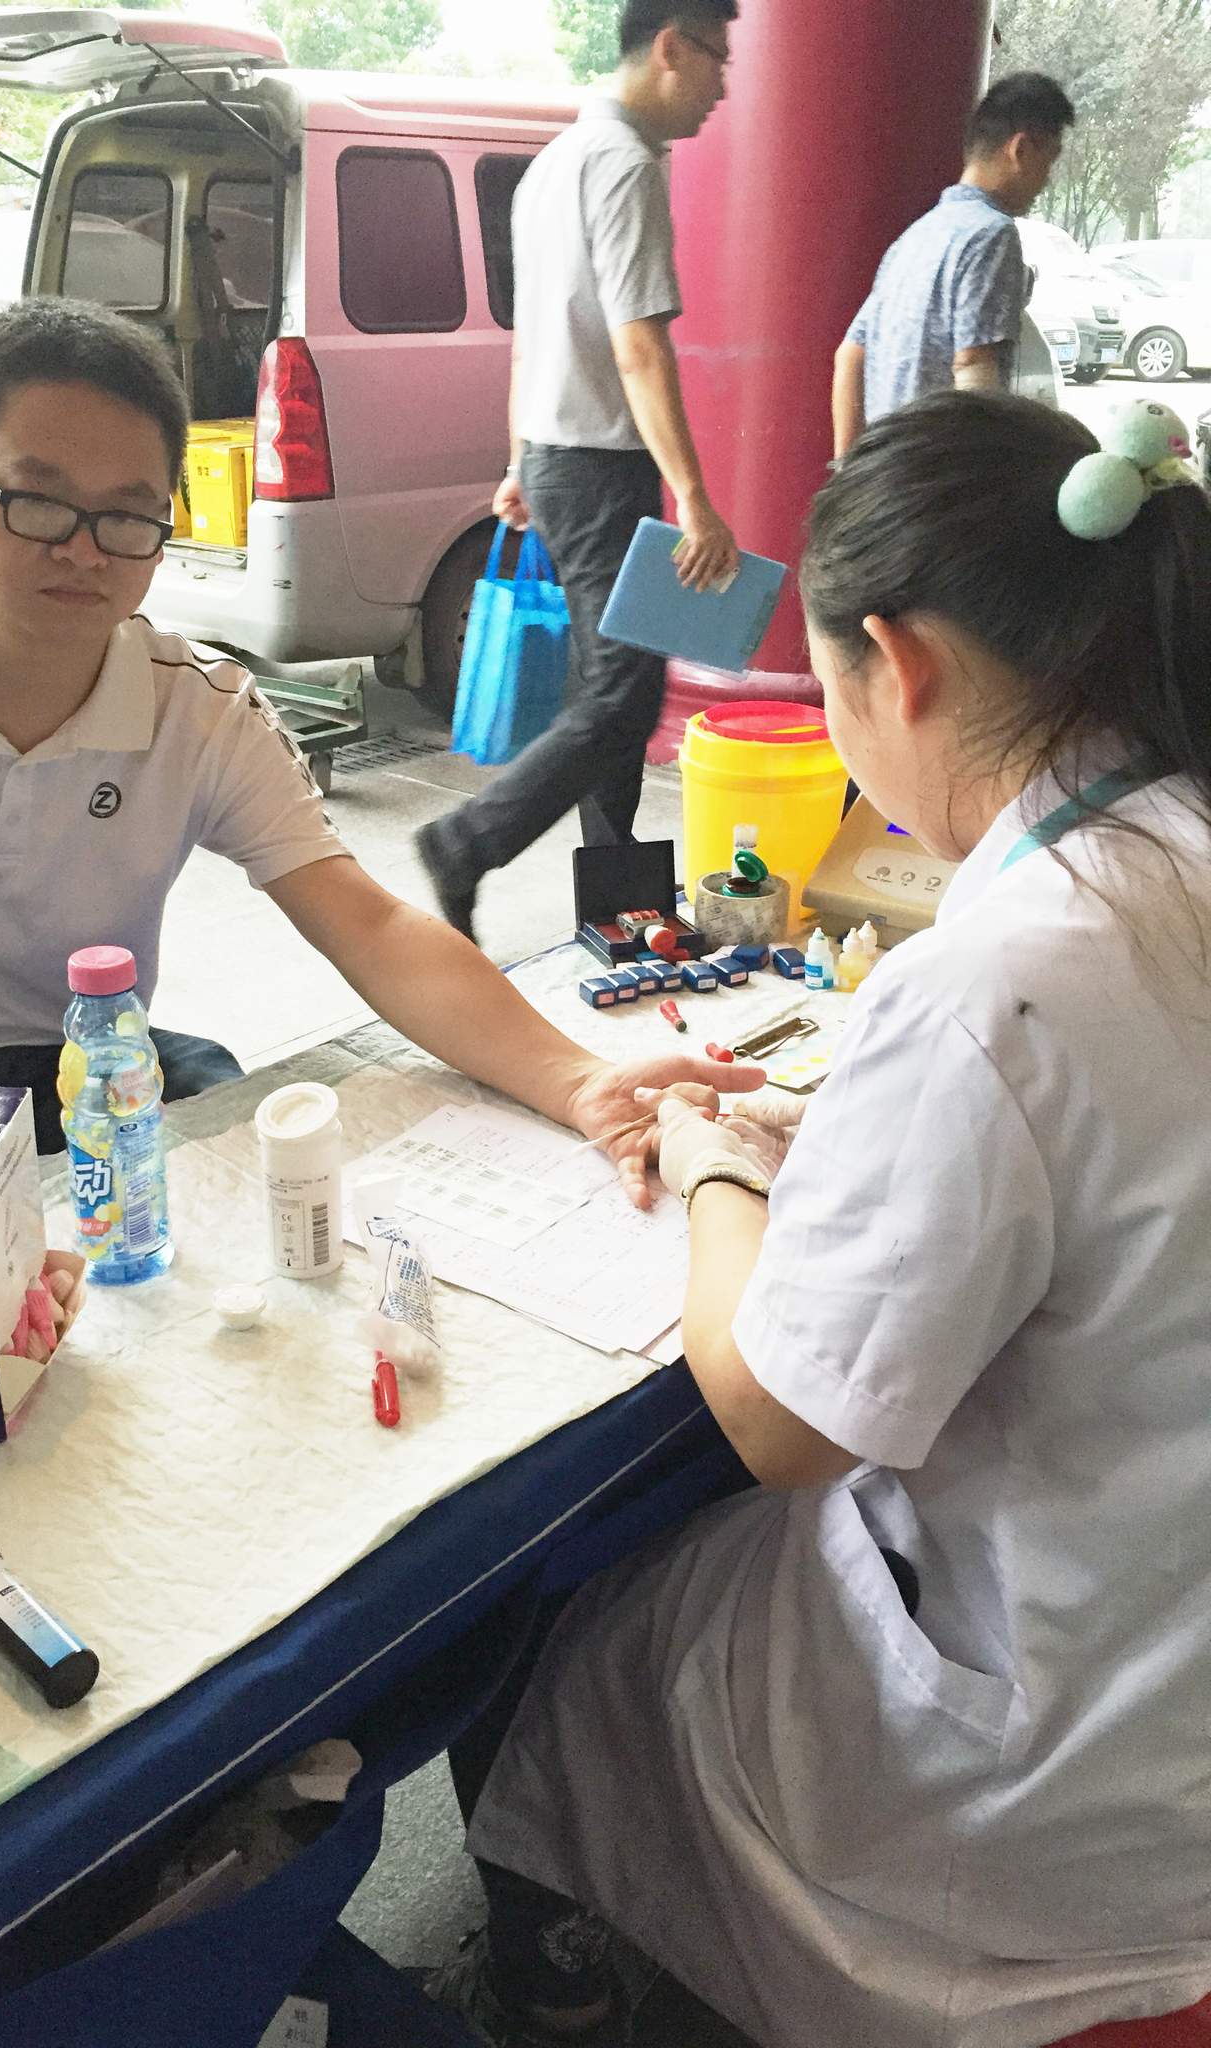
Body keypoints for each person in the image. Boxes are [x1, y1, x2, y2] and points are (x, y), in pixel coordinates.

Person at [434, 391, 1211, 2047]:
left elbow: (784, 1424)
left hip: (1056, 1792)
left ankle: (560, 1975)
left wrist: (717, 1157)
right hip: (1168, 1659)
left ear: (896, 664)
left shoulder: (1000, 982)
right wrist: (844, 1129)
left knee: (573, 1619)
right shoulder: (1168, 863)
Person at [0, 296, 755, 1264]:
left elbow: (368, 923)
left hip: (95, 1080)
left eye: (128, 515)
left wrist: (579, 1080)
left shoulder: (198, 707)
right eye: (36, 500)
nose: (84, 552)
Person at [414, 0, 740, 946]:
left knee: (612, 685)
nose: (723, 86)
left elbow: (532, 338)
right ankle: (465, 843)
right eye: (717, 59)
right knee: (623, 695)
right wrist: (697, 501)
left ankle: (620, 894)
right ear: (671, 48)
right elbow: (639, 349)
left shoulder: (554, 164)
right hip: (602, 466)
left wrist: (521, 460)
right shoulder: (625, 164)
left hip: (561, 460)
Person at [832, 71, 1074, 458]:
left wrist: (849, 472)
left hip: (887, 475)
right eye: (1049, 160)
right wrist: (980, 474)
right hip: (939, 477)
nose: (1046, 180)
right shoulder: (992, 233)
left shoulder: (913, 239)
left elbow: (850, 355)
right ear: (1021, 149)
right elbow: (973, 365)